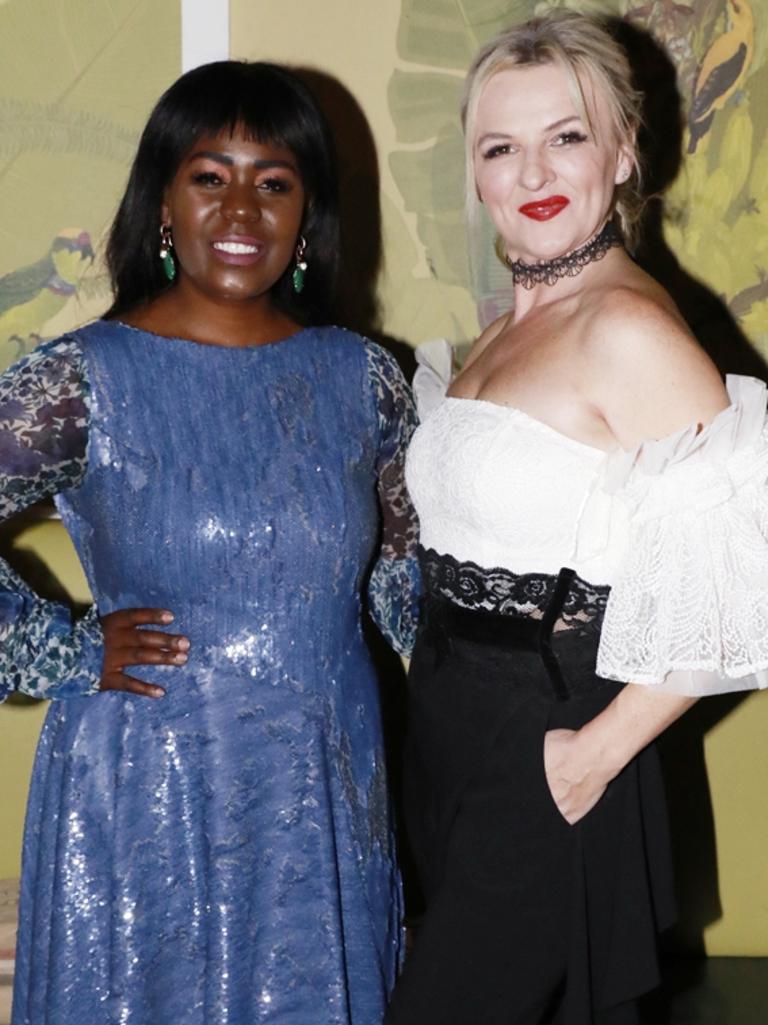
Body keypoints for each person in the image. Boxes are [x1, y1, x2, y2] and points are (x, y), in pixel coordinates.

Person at [1, 60, 419, 1025]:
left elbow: (406, 595)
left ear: (309, 213)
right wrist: (59, 647)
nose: (242, 209)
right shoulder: (84, 378)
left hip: (322, 790)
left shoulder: (365, 380)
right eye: (209, 175)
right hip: (145, 788)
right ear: (162, 202)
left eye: (275, 181)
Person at [384, 11, 768, 1025]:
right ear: (472, 173)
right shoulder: (502, 330)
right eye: (501, 147)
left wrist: (590, 754)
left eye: (567, 134)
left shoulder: (627, 326)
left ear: (623, 149)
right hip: (450, 728)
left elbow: (748, 581)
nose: (534, 170)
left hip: (548, 742)